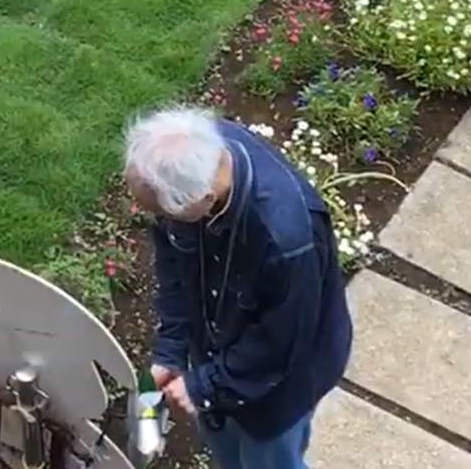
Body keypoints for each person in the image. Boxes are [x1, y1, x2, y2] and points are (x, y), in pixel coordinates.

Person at [125, 106, 351, 469]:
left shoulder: (287, 239)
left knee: (268, 460)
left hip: (283, 378)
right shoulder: (194, 158)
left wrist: (204, 387)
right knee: (226, 448)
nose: (163, 223)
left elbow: (282, 342)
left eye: (167, 215)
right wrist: (172, 349)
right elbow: (175, 268)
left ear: (202, 198)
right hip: (219, 346)